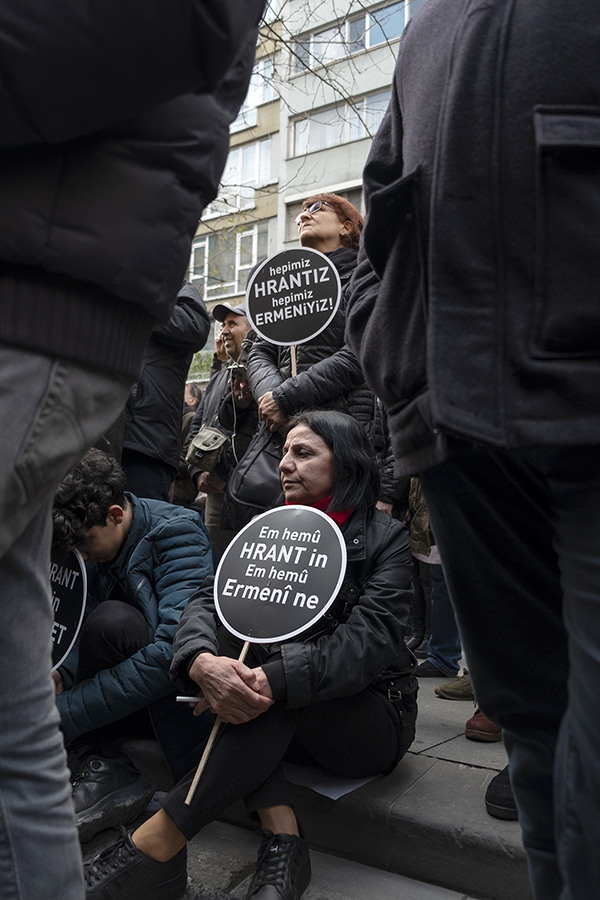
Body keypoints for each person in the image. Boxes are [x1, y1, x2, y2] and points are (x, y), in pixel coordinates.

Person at [0, 4, 265, 897]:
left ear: (118, 515)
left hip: (61, 340)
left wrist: (81, 707)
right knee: (28, 695)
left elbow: (163, 653)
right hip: (62, 347)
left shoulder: (173, 529)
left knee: (129, 657)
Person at [345, 2, 600, 897]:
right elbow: (385, 199)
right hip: (456, 430)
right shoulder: (432, 20)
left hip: (579, 405)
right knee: (535, 723)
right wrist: (395, 349)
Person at [82, 410, 418, 900]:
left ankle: (157, 841)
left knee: (271, 680)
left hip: (366, 719)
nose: (284, 464)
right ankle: (284, 842)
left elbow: (365, 647)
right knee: (232, 664)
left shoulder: (387, 540)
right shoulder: (265, 527)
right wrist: (200, 660)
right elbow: (205, 599)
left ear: (345, 464)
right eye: (283, 452)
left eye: (303, 453)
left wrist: (271, 681)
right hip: (274, 713)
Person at [52, 449, 216, 840]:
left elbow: (171, 655)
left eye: (87, 543)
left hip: (168, 699)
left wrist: (61, 713)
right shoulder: (86, 544)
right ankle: (95, 761)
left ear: (115, 514)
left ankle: (101, 763)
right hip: (112, 687)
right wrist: (62, 672)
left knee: (113, 619)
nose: (82, 555)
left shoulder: (178, 531)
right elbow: (75, 619)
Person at [247, 194, 397, 511]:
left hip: (347, 437)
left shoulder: (366, 277)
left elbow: (361, 351)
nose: (304, 215)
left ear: (347, 226)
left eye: (316, 208)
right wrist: (273, 396)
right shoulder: (283, 286)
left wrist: (288, 397)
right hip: (284, 439)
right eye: (300, 211)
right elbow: (259, 350)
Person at [121, 281, 210, 501]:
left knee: (141, 524)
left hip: (146, 441)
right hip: (105, 436)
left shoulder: (175, 287)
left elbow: (194, 326)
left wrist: (132, 305)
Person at [188, 303, 252, 555]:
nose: (223, 331)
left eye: (232, 324)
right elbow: (198, 425)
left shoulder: (259, 373)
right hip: (214, 494)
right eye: (223, 325)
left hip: (242, 491)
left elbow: (251, 433)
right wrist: (197, 473)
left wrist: (222, 473)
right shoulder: (219, 378)